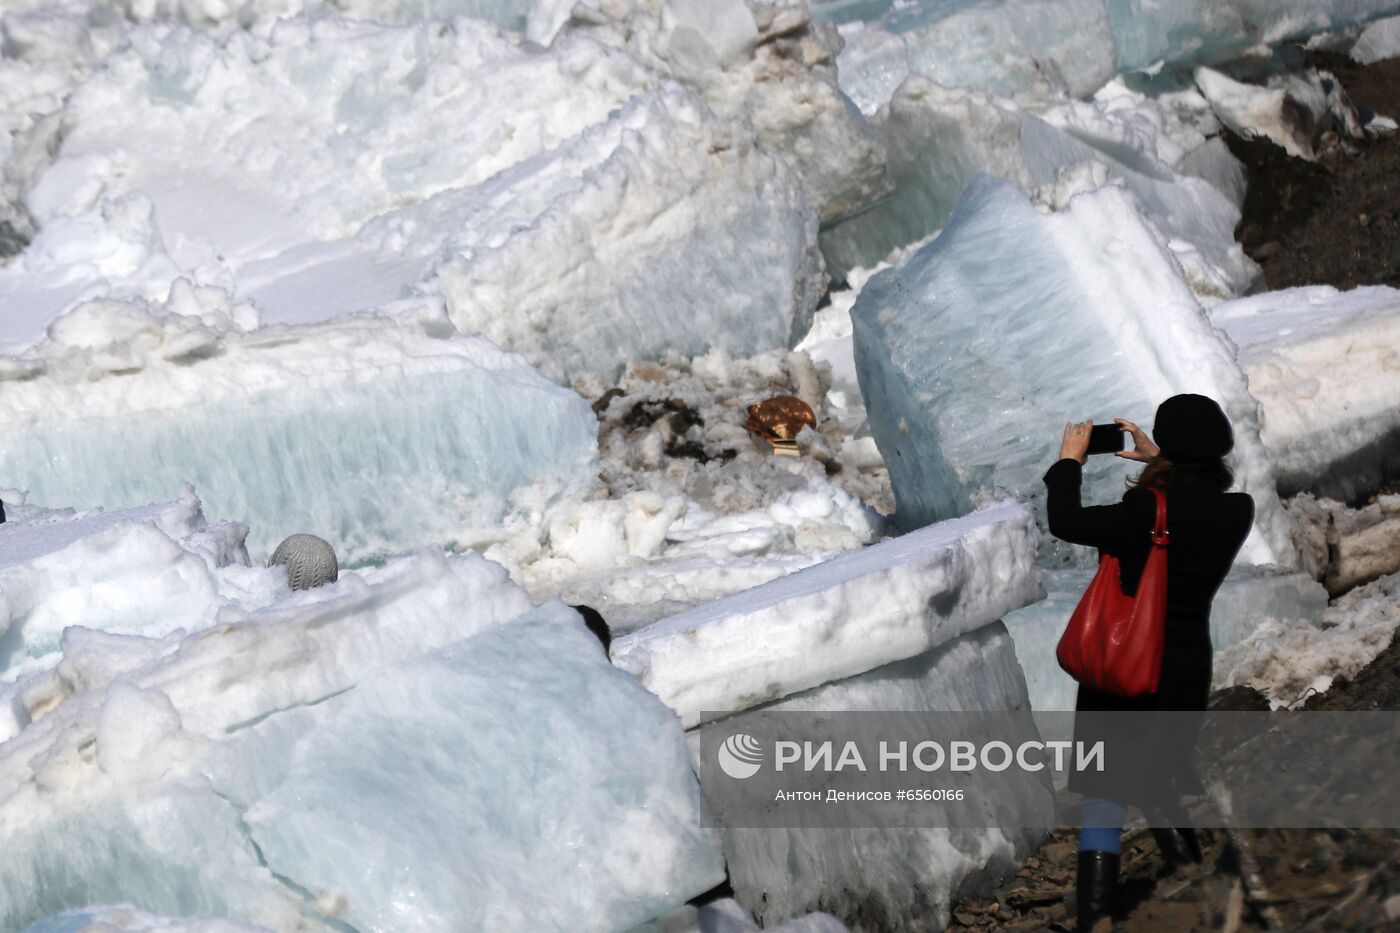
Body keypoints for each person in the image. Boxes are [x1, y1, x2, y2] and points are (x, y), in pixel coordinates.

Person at [1043, 394, 1255, 932]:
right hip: (1184, 669)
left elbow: (1066, 521)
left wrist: (1070, 460)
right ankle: (1201, 883)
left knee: (1103, 797)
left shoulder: (1145, 512)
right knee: (1159, 780)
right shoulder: (1237, 509)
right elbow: (1191, 500)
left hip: (1125, 667)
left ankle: (1097, 921)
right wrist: (1164, 460)